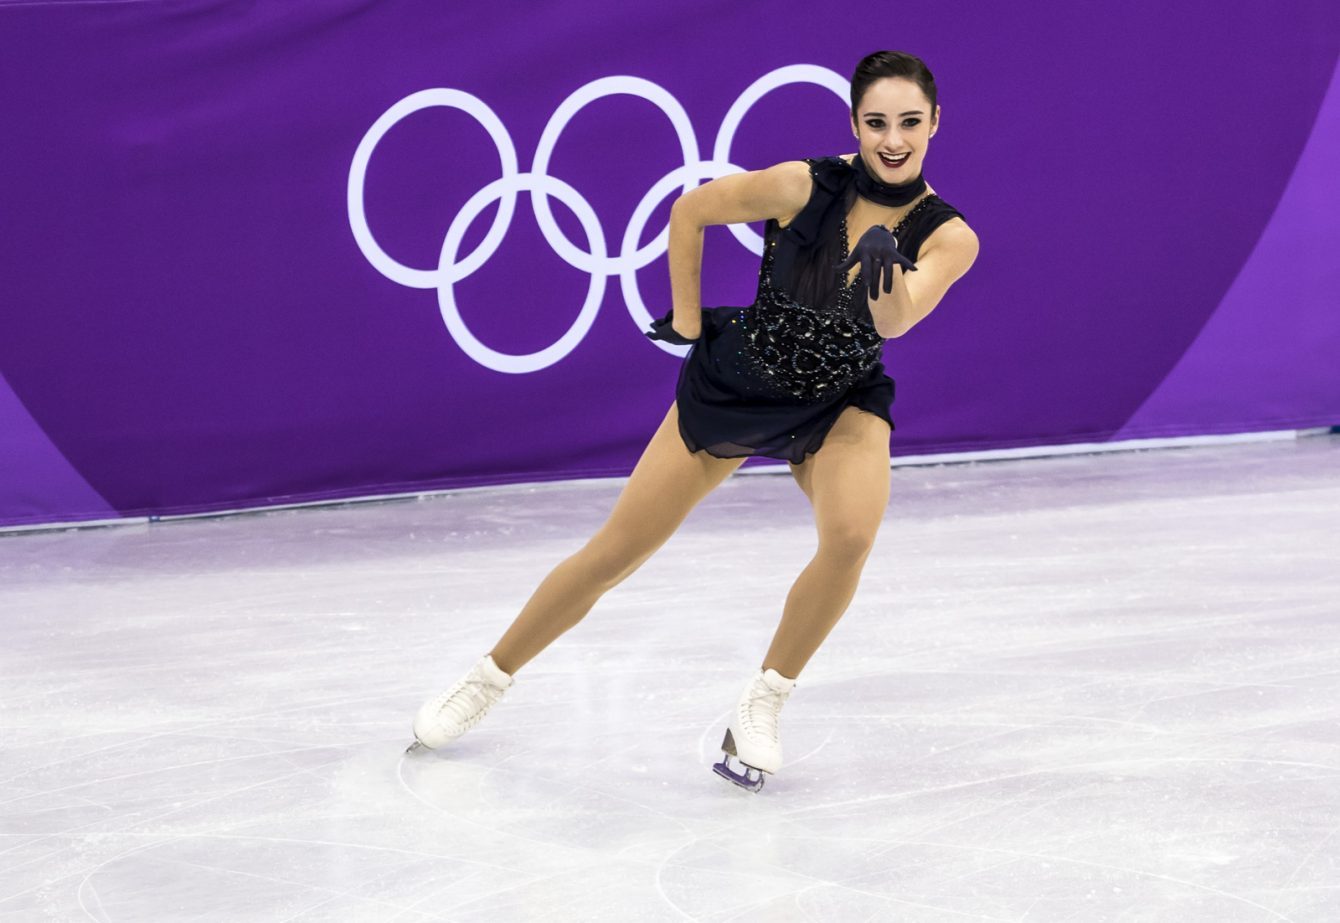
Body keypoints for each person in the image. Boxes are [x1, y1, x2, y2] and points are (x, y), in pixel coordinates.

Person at [408, 50, 980, 792]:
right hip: (738, 381)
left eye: (909, 122)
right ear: (855, 124)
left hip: (838, 399)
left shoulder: (949, 234)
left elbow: (899, 320)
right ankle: (489, 676)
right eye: (877, 122)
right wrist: (685, 319)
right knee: (617, 551)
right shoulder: (801, 184)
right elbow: (691, 211)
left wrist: (882, 273)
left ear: (936, 122)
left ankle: (763, 701)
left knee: (850, 536)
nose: (893, 138)